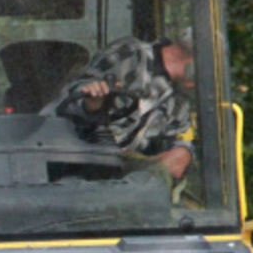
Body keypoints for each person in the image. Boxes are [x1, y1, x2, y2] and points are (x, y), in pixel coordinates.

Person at [51, 31, 196, 179]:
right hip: (70, 157)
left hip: (123, 177)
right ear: (192, 64)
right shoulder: (129, 54)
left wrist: (184, 153)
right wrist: (91, 104)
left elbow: (180, 141)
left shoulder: (180, 101)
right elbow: (70, 98)